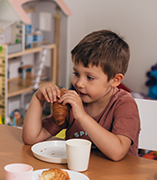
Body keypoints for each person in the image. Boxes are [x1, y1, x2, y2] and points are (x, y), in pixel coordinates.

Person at [22, 30, 140, 161]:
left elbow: (117, 152)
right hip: (77, 176)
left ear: (115, 80)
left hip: (118, 179)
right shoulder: (72, 104)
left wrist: (82, 116)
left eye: (89, 77)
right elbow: (31, 138)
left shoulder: (124, 104)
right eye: (76, 74)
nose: (79, 83)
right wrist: (38, 98)